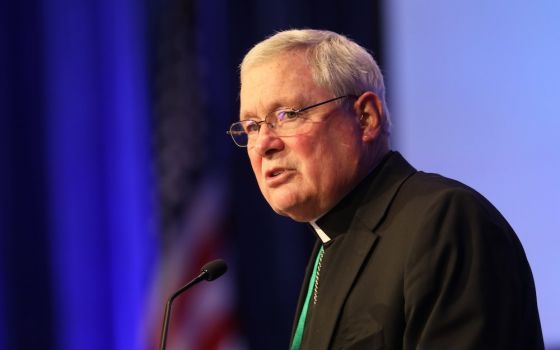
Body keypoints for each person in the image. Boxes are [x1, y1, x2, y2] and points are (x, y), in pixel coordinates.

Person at [228, 29, 544, 349]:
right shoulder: (329, 245)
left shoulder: (446, 222)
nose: (264, 144)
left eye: (287, 115)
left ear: (366, 118)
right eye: (252, 126)